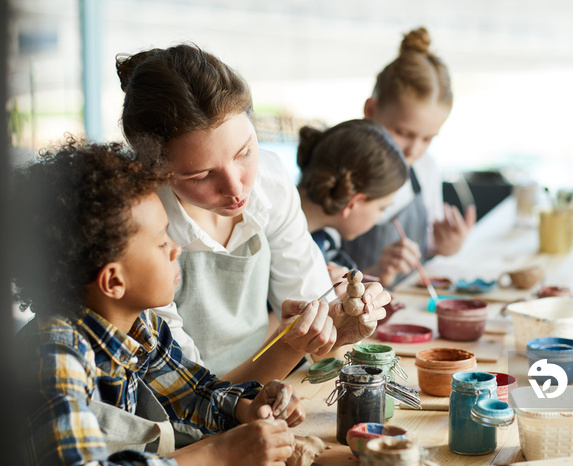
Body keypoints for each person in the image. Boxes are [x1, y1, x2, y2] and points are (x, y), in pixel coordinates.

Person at [10, 139, 303, 466]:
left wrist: (247, 407)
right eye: (162, 241)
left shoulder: (139, 325)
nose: (175, 249)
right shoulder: (55, 356)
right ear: (114, 281)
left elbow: (192, 394)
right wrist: (216, 454)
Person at [116, 44, 389, 385]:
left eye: (245, 152)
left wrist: (340, 328)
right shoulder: (137, 226)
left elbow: (318, 332)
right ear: (155, 171)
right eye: (202, 175)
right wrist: (291, 346)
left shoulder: (270, 182)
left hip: (261, 389)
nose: (236, 188)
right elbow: (185, 395)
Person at [340, 27, 477, 287]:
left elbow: (425, 245)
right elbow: (313, 277)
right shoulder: (338, 172)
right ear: (370, 110)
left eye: (428, 138)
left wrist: (444, 246)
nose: (414, 150)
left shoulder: (425, 168)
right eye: (403, 133)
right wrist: (376, 271)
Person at [296, 119, 408, 287]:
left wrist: (377, 272)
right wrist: (319, 297)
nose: (379, 217)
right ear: (353, 203)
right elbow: (251, 314)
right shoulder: (271, 238)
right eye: (381, 208)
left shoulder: (322, 240)